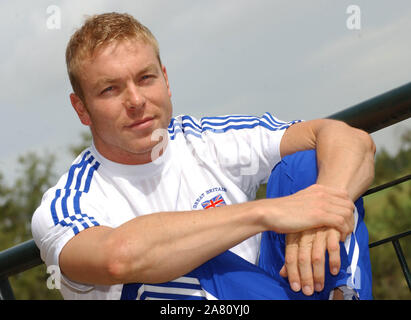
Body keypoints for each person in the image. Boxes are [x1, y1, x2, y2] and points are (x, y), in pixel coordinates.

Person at [31, 12, 375, 300]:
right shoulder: (68, 202)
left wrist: (321, 211)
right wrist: (270, 212)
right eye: (110, 89)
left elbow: (348, 139)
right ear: (82, 109)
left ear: (165, 81)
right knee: (168, 261)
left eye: (145, 78)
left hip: (281, 287)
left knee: (310, 163)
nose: (135, 101)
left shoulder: (204, 139)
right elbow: (117, 258)